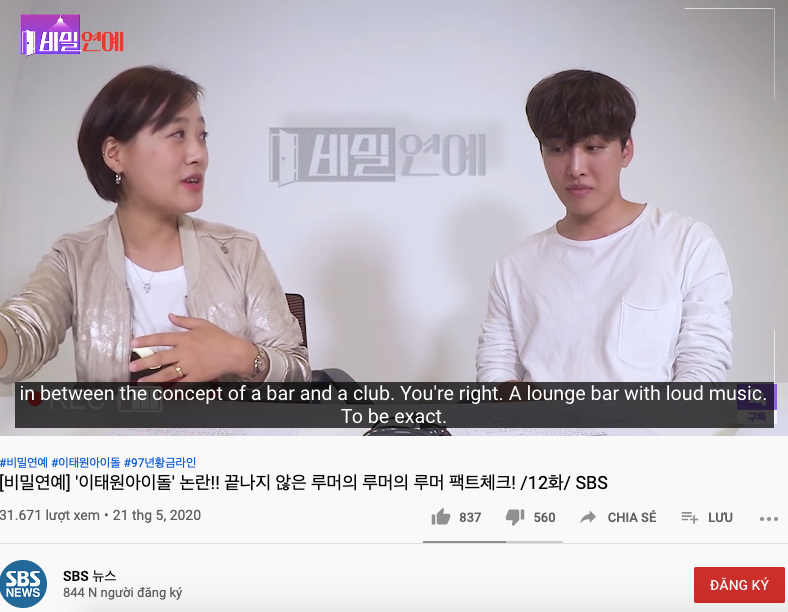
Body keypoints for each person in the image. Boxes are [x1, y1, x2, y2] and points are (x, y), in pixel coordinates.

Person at [0, 66, 309, 384]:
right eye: (178, 134)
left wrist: (239, 356)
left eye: (202, 136)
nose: (198, 154)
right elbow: (25, 331)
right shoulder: (74, 259)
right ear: (115, 154)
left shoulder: (240, 252)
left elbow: (298, 373)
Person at [476, 69, 732, 383]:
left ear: (626, 150)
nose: (575, 168)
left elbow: (703, 369)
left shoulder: (686, 244)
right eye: (557, 149)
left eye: (593, 147)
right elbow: (496, 372)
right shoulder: (516, 265)